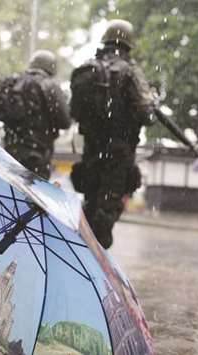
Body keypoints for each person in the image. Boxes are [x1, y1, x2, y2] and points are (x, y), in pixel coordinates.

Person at [69, 19, 157, 249]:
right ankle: (97, 258)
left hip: (91, 150)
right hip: (118, 154)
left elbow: (73, 111)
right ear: (129, 44)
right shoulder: (130, 72)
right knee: (107, 210)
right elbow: (147, 114)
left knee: (90, 203)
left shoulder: (87, 69)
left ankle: (82, 250)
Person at [0, 50, 71, 180]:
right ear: (51, 68)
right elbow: (65, 122)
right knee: (32, 198)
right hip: (37, 157)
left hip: (10, 153)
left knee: (10, 193)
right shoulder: (49, 85)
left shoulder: (12, 83)